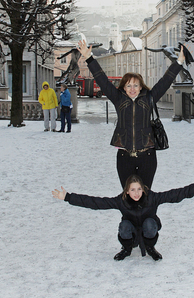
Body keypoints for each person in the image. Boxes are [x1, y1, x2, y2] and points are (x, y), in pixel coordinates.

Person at [77, 39, 185, 189]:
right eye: (129, 85)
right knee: (128, 196)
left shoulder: (149, 99)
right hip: (124, 158)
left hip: (147, 156)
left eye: (135, 85)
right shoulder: (118, 99)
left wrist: (178, 62)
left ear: (141, 87)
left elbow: (165, 81)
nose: (132, 88)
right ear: (124, 87)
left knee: (145, 196)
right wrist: (89, 58)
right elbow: (102, 79)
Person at [52, 173, 194, 261]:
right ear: (127, 191)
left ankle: (150, 248)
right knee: (124, 227)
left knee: (150, 224)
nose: (136, 193)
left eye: (138, 189)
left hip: (147, 229)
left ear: (143, 189)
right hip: (130, 230)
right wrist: (68, 197)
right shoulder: (121, 201)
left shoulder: (153, 198)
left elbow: (178, 194)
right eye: (132, 190)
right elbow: (95, 203)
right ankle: (127, 248)